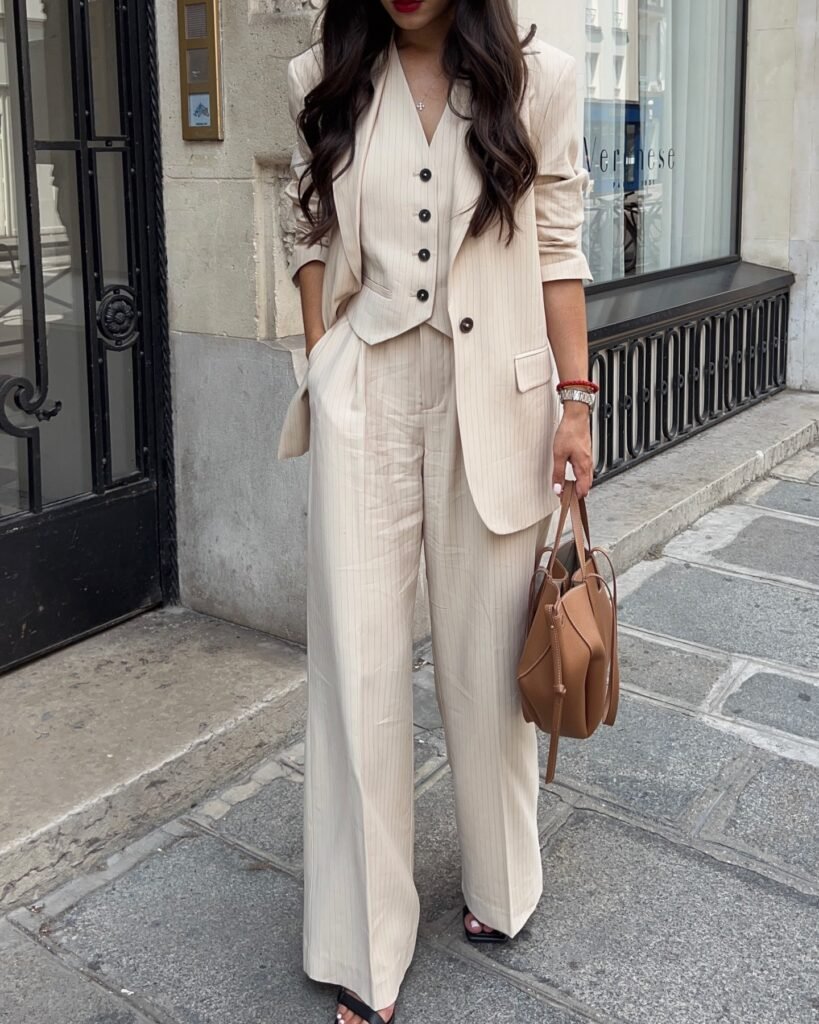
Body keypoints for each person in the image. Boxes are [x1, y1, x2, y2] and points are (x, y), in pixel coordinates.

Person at [277, 1, 595, 1021]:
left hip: (492, 403)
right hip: (368, 392)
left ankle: (504, 883)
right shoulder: (319, 80)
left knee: (483, 662)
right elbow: (309, 230)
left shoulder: (537, 80)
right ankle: (365, 949)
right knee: (358, 668)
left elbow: (558, 244)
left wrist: (577, 403)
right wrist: (325, 354)